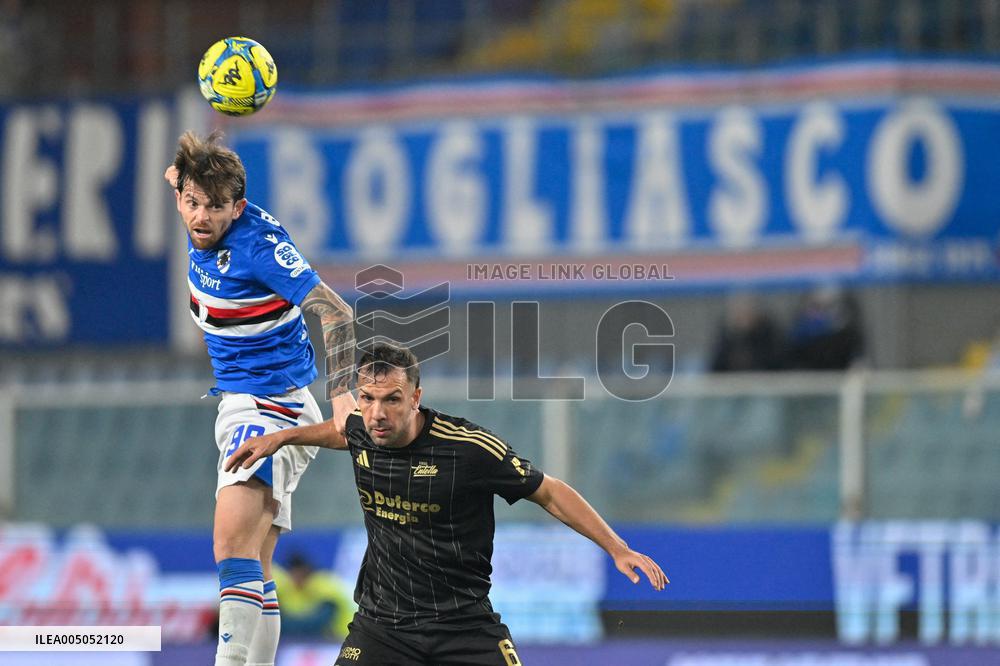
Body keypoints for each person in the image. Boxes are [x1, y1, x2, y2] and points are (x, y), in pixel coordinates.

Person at [226, 342, 668, 666]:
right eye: (367, 399)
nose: (377, 413)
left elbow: (549, 490)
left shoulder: (469, 449)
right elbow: (339, 432)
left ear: (415, 398)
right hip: (383, 627)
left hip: (464, 626)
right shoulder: (364, 428)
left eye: (392, 399)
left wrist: (617, 548)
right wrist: (281, 438)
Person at [166, 130, 356, 666]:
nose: (200, 217)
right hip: (247, 400)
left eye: (215, 207)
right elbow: (178, 175)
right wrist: (187, 166)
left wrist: (343, 398)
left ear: (238, 207)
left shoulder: (257, 249)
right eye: (192, 202)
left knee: (230, 546)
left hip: (271, 407)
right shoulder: (193, 197)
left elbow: (336, 310)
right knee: (255, 561)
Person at [272, 553, 355, 640]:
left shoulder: (321, 584)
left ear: (303, 572)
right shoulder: (299, 590)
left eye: (295, 575)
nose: (293, 580)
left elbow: (321, 620)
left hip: (346, 635)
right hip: (337, 637)